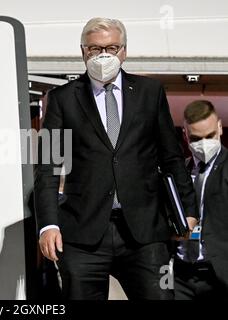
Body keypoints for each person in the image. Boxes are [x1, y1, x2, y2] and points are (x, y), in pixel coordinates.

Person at [34, 17, 198, 300]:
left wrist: (188, 211)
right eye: (96, 49)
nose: (103, 55)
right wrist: (48, 225)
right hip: (81, 235)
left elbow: (172, 157)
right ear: (83, 51)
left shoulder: (150, 92)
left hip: (145, 234)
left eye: (111, 47)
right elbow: (47, 167)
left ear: (124, 51)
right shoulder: (61, 98)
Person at [174, 100, 228, 299]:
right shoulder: (177, 172)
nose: (204, 144)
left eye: (210, 136)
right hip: (180, 274)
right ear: (185, 135)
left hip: (219, 272)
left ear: (220, 128)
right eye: (196, 138)